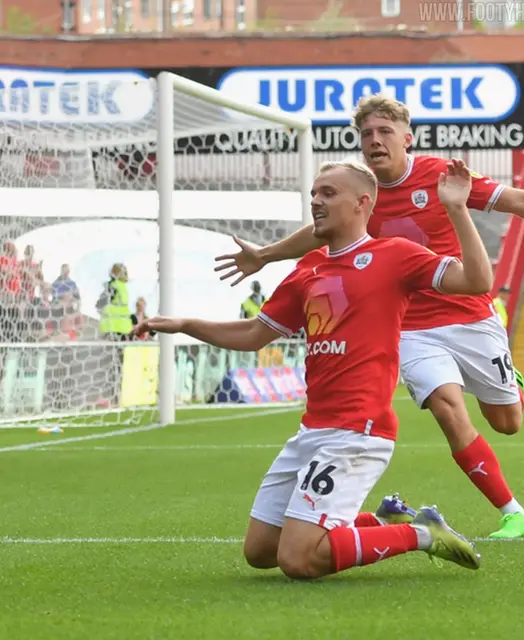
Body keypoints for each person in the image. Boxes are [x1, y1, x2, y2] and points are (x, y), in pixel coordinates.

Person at [214, 94, 524, 540]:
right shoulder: (361, 195)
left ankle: (511, 383)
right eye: (365, 135)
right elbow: (319, 234)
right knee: (446, 408)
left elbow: (516, 200)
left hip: (470, 314)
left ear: (406, 138)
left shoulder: (440, 176)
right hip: (412, 327)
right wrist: (266, 254)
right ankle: (513, 512)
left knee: (507, 422)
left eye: (384, 132)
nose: (374, 141)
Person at [134, 159, 489, 580]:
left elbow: (476, 281)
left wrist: (457, 209)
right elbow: (253, 334)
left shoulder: (394, 256)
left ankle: (421, 534)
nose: (316, 202)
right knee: (262, 551)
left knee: (298, 560)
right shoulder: (308, 268)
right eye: (314, 194)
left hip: (359, 431)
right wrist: (185, 325)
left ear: (362, 204)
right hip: (312, 430)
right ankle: (381, 522)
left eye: (328, 193)